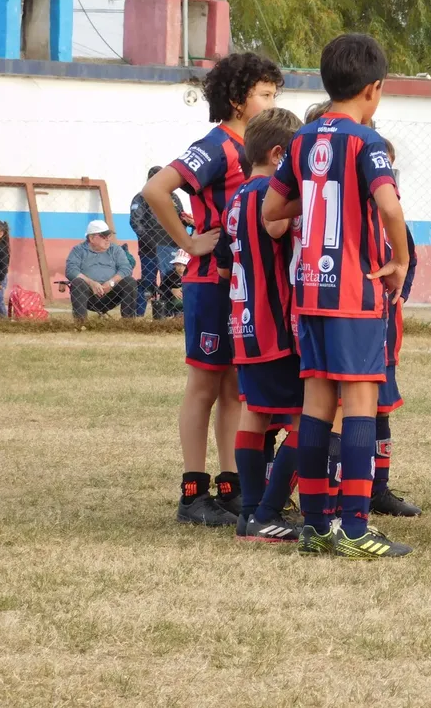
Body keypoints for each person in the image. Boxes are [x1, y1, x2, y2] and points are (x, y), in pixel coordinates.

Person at [262, 32, 413, 559]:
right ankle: (354, 527)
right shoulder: (366, 141)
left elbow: (271, 213)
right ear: (373, 89)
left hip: (311, 291)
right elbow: (390, 207)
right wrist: (400, 258)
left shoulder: (302, 140)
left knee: (317, 406)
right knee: (362, 406)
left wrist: (318, 213)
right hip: (354, 290)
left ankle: (315, 525)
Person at [142, 52, 283, 527]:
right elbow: (156, 190)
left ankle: (230, 486)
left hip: (239, 283)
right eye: (264, 94)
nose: (272, 102)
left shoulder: (259, 149)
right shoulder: (216, 145)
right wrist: (187, 240)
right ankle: (191, 493)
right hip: (210, 283)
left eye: (274, 93)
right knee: (204, 385)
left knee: (233, 389)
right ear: (237, 100)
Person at [217, 107, 306, 543]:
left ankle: (249, 513)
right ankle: (267, 509)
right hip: (276, 327)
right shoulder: (270, 197)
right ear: (278, 155)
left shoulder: (237, 196)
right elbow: (278, 228)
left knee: (254, 414)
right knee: (311, 417)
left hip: (245, 325)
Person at [327, 137, 422, 518]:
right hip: (349, 322)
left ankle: (377, 489)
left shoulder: (391, 220)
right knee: (337, 408)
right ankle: (332, 494)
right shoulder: (347, 220)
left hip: (383, 329)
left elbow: (408, 259)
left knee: (380, 408)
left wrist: (399, 291)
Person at [129, 166, 191, 317]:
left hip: (171, 248)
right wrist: (152, 242)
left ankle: (166, 313)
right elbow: (135, 223)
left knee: (169, 281)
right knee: (148, 281)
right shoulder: (141, 197)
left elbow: (179, 219)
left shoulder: (174, 197)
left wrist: (184, 228)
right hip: (149, 249)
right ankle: (139, 315)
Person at [64, 220, 138, 320]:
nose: (107, 239)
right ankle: (81, 324)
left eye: (109, 236)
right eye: (103, 236)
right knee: (77, 283)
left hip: (112, 293)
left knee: (130, 282)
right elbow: (71, 270)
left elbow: (126, 268)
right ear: (91, 238)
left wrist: (111, 283)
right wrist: (92, 283)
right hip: (89, 294)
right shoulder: (78, 250)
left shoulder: (115, 250)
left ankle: (128, 322)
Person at [0, 220, 9, 317]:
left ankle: (4, 319)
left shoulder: (1, 248)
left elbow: (3, 267)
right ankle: (4, 318)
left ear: (0, 234)